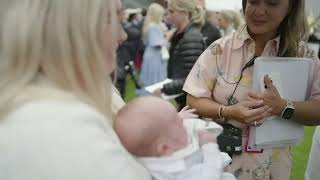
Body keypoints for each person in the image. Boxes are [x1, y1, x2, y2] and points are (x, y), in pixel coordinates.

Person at [0, 0, 151, 180]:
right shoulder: (58, 123)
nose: (122, 35)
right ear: (70, 28)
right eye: (112, 19)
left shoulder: (49, 105)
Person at [183, 0, 320, 179]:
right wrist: (228, 111)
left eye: (272, 3)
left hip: (273, 170)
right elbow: (193, 99)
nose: (259, 11)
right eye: (253, 2)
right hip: (220, 167)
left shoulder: (304, 57)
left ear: (291, 8)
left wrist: (284, 107)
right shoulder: (220, 50)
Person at [114, 96, 236, 180]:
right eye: (181, 125)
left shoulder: (145, 155)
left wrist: (176, 118)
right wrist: (210, 147)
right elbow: (211, 175)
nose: (185, 125)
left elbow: (158, 128)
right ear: (165, 148)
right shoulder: (177, 169)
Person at [155, 0, 206, 110]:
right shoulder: (182, 34)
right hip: (184, 99)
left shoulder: (191, 37)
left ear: (185, 13)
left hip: (190, 102)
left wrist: (164, 89)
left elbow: (191, 78)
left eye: (172, 12)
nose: (168, 16)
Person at [137, 3, 168, 96]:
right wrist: (168, 38)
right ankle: (154, 96)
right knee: (154, 78)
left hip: (151, 54)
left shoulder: (150, 25)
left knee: (151, 77)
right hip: (154, 55)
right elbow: (157, 43)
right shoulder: (153, 26)